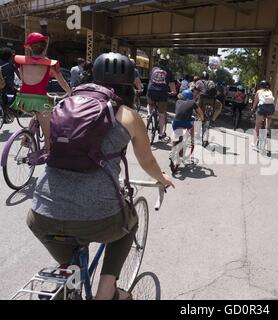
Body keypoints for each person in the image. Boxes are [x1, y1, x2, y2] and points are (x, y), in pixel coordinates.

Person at [28, 52, 175, 300]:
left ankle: (67, 275)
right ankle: (106, 291)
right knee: (130, 223)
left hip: (40, 214)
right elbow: (147, 161)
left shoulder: (66, 105)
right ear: (129, 84)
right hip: (99, 219)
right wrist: (162, 178)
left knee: (70, 261)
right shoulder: (129, 116)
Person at [10, 32, 71, 150]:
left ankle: (26, 137)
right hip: (41, 102)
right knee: (48, 136)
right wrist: (70, 93)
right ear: (44, 49)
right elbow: (63, 83)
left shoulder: (22, 62)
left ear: (30, 48)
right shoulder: (50, 64)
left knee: (36, 115)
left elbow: (23, 79)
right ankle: (47, 152)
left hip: (22, 100)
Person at [146, 56, 176, 141]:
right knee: (161, 114)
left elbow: (150, 79)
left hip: (151, 91)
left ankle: (149, 113)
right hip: (162, 93)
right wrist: (174, 92)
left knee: (150, 104)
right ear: (167, 63)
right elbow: (172, 84)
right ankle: (161, 134)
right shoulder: (169, 71)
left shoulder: (153, 69)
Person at [251, 80, 275, 148]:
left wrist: (253, 108)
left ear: (260, 86)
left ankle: (254, 142)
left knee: (257, 125)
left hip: (262, 106)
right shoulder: (270, 92)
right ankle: (267, 129)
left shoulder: (259, 91)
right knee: (269, 118)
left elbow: (255, 101)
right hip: (271, 107)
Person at [0, 47, 18, 116]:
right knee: (17, 94)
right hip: (4, 85)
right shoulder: (9, 65)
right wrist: (14, 87)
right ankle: (7, 110)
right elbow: (9, 80)